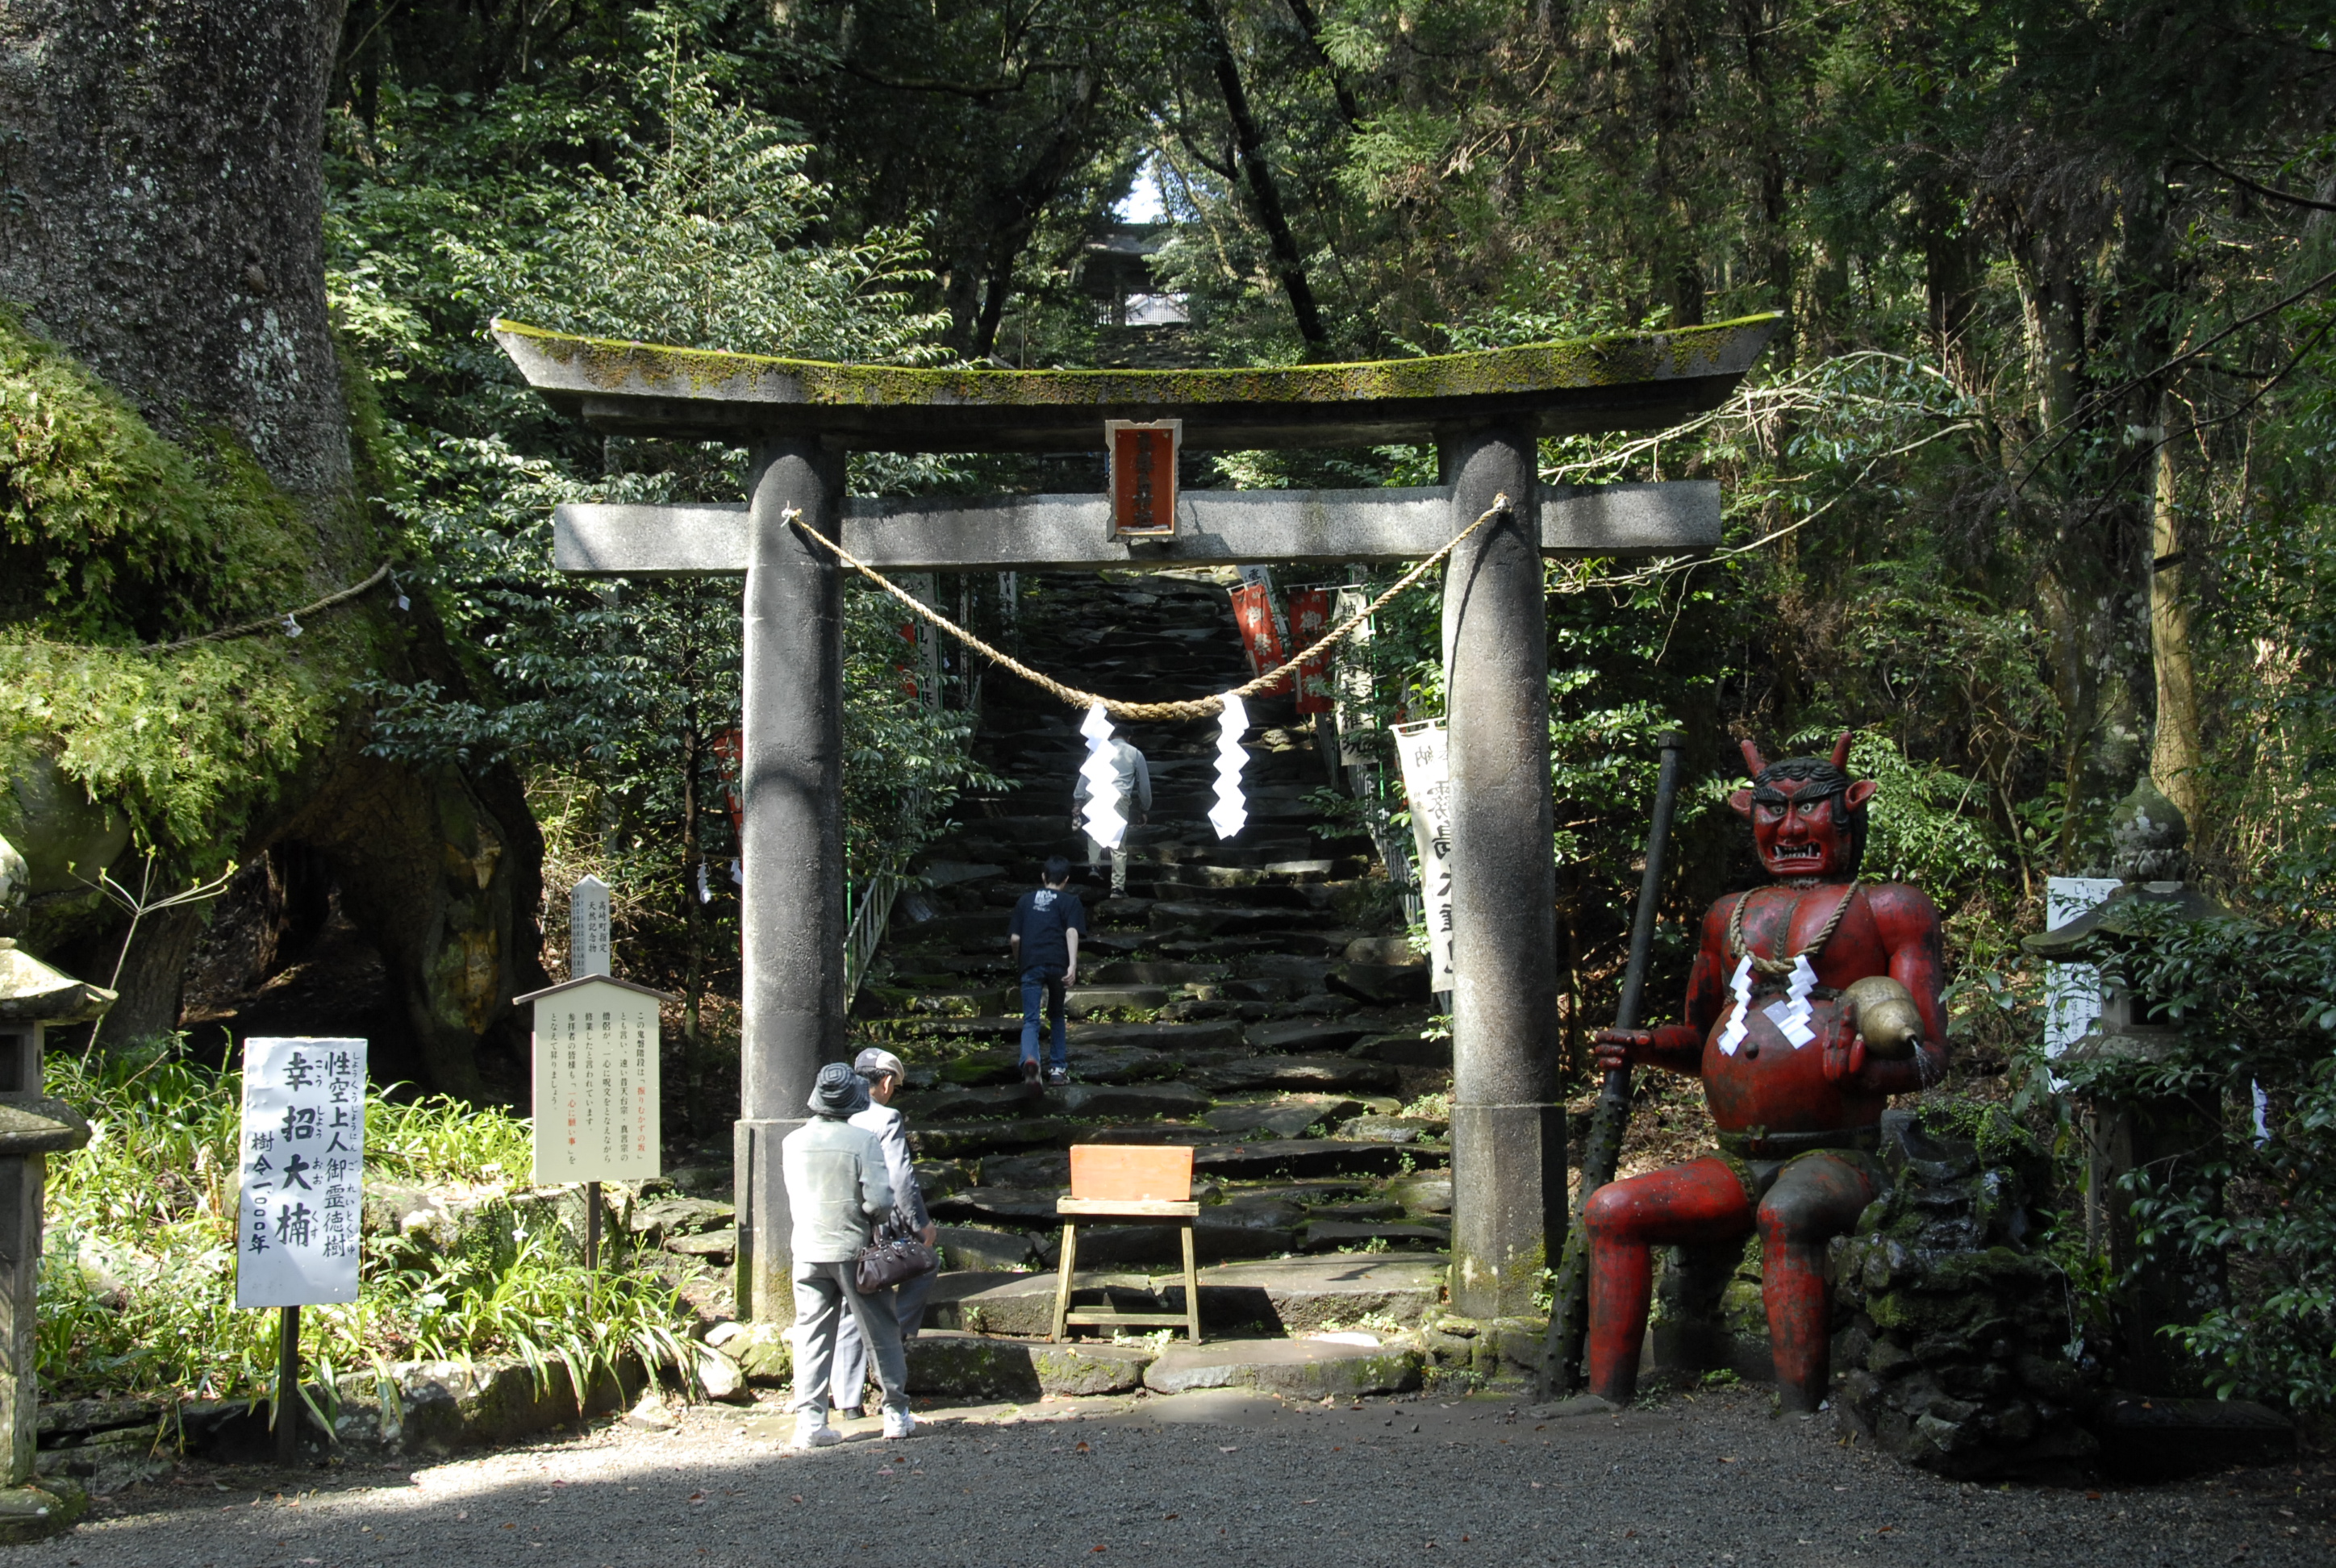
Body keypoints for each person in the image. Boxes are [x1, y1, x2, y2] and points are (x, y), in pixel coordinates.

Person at [1582, 734, 1950, 1414]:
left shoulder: (1890, 908)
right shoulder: (1729, 916)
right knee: (1612, 1209)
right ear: (1746, 815)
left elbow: (1928, 1057)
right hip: (1733, 1158)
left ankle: (1799, 1401)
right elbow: (1700, 1039)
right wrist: (1643, 1045)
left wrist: (1868, 1072)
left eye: (1809, 810)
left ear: (1850, 810)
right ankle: (1606, 1396)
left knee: (1789, 1213)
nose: (1789, 829)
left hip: (1837, 1155)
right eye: (1771, 813)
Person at [781, 1062, 916, 1448]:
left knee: (811, 1335)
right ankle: (895, 1413)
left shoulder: (792, 1142)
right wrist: (875, 1217)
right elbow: (880, 1201)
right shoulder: (863, 1141)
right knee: (881, 1331)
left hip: (806, 1248)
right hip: (854, 1250)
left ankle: (810, 1423)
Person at [828, 1047, 938, 1419]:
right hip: (879, 1227)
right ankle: (896, 1339)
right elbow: (900, 1179)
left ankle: (847, 1401)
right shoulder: (885, 1117)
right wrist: (921, 1224)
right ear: (887, 1081)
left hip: (839, 1225)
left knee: (849, 1304)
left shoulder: (835, 1115)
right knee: (926, 1264)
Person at [1007, 854, 1085, 1086]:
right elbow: (1071, 932)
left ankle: (1031, 1060)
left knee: (1031, 1019)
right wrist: (1072, 965)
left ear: (1043, 876)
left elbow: (1014, 938)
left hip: (1030, 963)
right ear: (1067, 880)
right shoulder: (1070, 902)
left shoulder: (1025, 901)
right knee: (1057, 1015)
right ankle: (1058, 1070)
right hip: (1058, 964)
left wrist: (1020, 961)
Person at [1071, 734, 1151, 895]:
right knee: (1118, 842)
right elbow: (1144, 784)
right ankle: (1117, 888)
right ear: (1129, 737)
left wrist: (1078, 800)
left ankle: (1094, 865)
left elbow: (1085, 774)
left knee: (1095, 829)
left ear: (1112, 735)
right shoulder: (1135, 753)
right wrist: (1145, 808)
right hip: (1119, 795)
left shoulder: (1098, 749)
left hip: (1095, 792)